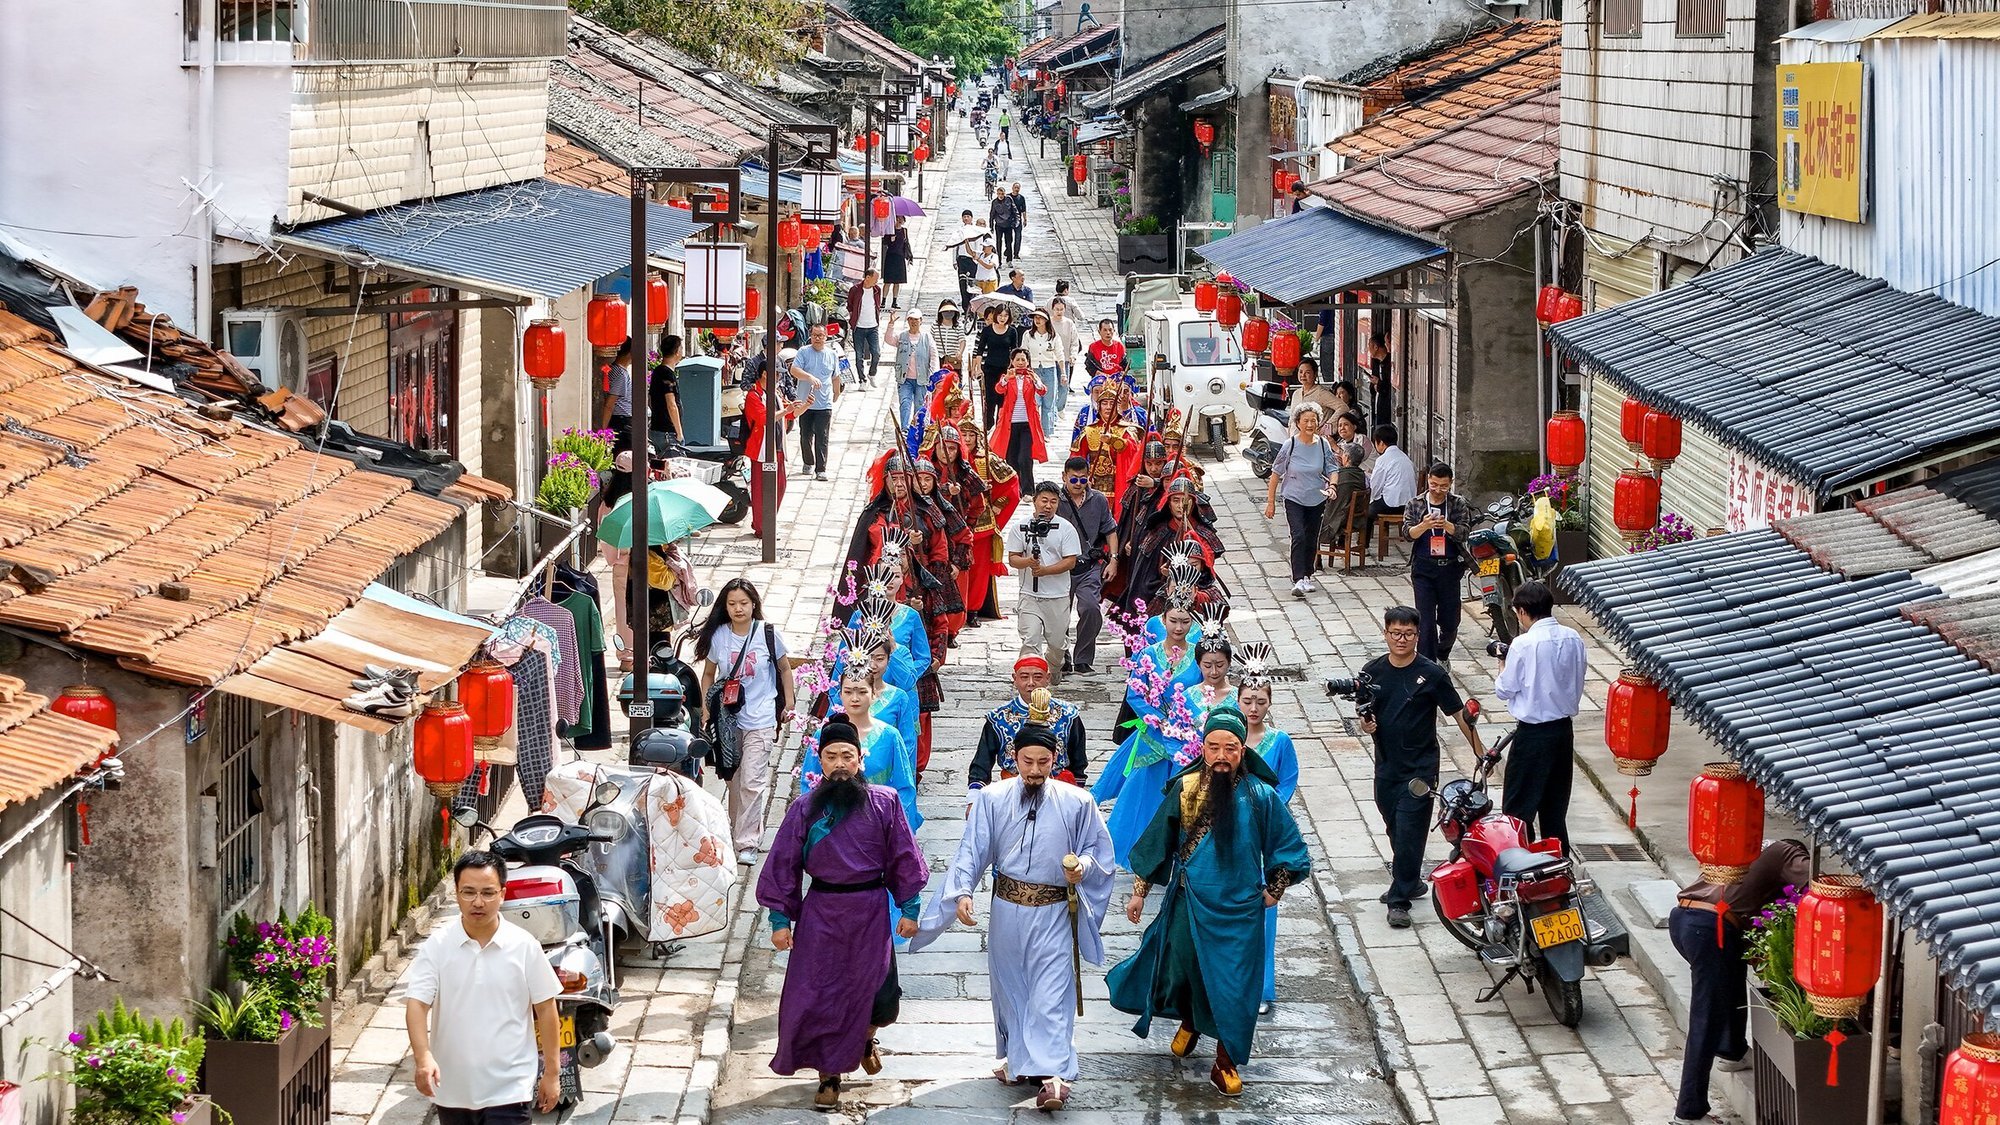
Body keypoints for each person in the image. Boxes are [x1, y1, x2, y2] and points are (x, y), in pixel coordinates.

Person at [914, 701, 1114, 1112]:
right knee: (1012, 988)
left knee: (1052, 990)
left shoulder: (1078, 802)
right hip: (1008, 907)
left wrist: (1084, 869)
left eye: (1044, 761)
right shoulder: (991, 798)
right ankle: (1022, 1062)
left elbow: (1100, 854)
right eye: (1028, 761)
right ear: (1014, 758)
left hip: (1056, 909)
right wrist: (963, 892)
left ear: (1055, 760)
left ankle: (1055, 1077)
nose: (1036, 770)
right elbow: (973, 850)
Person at [1105, 708, 1311, 1096]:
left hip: (1240, 911)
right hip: (1189, 901)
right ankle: (1191, 1019)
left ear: (1241, 750)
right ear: (1202, 747)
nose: (1221, 755)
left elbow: (1290, 847)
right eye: (1213, 746)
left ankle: (1225, 1061)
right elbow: (1156, 841)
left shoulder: (1262, 796)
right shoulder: (1184, 790)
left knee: (1235, 985)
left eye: (1230, 748)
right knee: (1184, 969)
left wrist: (1275, 887)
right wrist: (1139, 891)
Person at [757, 720, 928, 1110]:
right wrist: (780, 922)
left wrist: (910, 908)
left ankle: (865, 1037)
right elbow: (783, 863)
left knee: (880, 997)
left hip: (870, 911)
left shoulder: (885, 802)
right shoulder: (804, 809)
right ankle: (829, 1076)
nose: (839, 764)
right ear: (820, 760)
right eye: (831, 756)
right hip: (822, 913)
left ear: (859, 760)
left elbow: (904, 856)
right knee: (820, 995)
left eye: (846, 756)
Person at [405, 851, 563, 1121]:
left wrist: (552, 1073)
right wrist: (423, 1057)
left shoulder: (524, 946)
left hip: (510, 1088)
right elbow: (417, 1005)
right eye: (469, 892)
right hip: (453, 1088)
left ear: (502, 894)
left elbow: (546, 1009)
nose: (478, 902)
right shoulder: (438, 946)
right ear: (456, 893)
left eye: (488, 893)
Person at [1356, 605, 1486, 928]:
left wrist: (1481, 754)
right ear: (1385, 634)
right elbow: (1364, 712)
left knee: (1411, 828)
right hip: (1387, 764)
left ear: (1418, 635)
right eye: (1395, 633)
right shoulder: (1371, 672)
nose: (1401, 639)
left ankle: (1399, 900)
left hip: (1421, 767)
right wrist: (1366, 726)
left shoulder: (1432, 674)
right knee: (1393, 824)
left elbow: (1459, 714)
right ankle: (1411, 878)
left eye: (1409, 634)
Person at [1670, 840, 1809, 1125]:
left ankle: (1732, 1050)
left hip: (1685, 919)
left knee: (1731, 978)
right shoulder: (1789, 853)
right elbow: (1815, 879)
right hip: (1711, 927)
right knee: (1706, 1018)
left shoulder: (1747, 848)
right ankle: (1689, 1113)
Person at [1092, 592, 1206, 867]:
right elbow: (1135, 694)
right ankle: (1134, 851)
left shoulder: (1198, 655)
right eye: (1174, 621)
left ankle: (1177, 855)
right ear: (1163, 620)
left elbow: (1205, 691)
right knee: (1141, 794)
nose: (1179, 628)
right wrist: (1158, 718)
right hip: (1155, 733)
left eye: (1185, 622)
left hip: (1186, 735)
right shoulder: (1147, 655)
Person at [695, 578, 796, 864]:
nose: (738, 609)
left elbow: (785, 668)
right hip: (728, 719)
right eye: (732, 604)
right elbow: (708, 674)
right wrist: (705, 708)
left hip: (762, 716)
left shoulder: (767, 634)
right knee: (734, 779)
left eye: (743, 603)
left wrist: (788, 702)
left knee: (753, 780)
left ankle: (747, 842)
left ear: (754, 604)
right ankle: (734, 829)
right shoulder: (719, 637)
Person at [1492, 579, 1587, 851]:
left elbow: (1505, 688)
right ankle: (1558, 866)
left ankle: (1520, 866)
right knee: (1554, 808)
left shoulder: (1524, 644)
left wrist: (1502, 662)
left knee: (1517, 808)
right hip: (1562, 731)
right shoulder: (1573, 638)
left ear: (1522, 611)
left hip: (1533, 734)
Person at [1233, 648, 1298, 1013]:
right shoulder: (1227, 738)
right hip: (1228, 826)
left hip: (1264, 830)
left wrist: (1268, 806)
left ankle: (1260, 987)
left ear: (1269, 703)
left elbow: (1287, 781)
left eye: (1260, 701)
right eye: (1247, 700)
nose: (1253, 708)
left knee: (1264, 908)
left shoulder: (1280, 741)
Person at [802, 670, 920, 831]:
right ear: (840, 695)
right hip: (831, 825)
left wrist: (893, 822)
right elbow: (809, 784)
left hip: (878, 823)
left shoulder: (890, 736)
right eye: (848, 692)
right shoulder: (824, 734)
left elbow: (904, 786)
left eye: (862, 692)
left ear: (874, 694)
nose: (855, 698)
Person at [969, 655, 1091, 794]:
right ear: (1015, 679)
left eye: (1038, 677)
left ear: (1048, 678)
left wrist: (1077, 792)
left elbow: (1078, 759)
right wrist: (974, 796)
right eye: (1024, 677)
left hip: (1059, 788)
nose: (1031, 683)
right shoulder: (998, 718)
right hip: (1013, 789)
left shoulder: (1068, 715)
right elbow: (982, 762)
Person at [1005, 481, 1081, 671]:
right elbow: (1013, 559)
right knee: (1030, 640)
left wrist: (1046, 570)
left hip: (1057, 596)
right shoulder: (1021, 528)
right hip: (1029, 595)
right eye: (1044, 501)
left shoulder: (1066, 528)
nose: (1048, 506)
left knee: (1056, 644)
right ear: (1035, 501)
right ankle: (1032, 680)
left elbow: (1070, 561)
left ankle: (1054, 666)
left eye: (1053, 502)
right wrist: (1029, 561)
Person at [1262, 402, 1334, 596]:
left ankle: (1308, 575)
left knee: (1311, 538)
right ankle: (1298, 578)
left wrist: (1333, 486)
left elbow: (1332, 469)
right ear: (1298, 423)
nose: (1310, 424)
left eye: (1313, 420)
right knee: (1299, 535)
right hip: (1293, 497)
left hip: (1316, 498)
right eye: (1306, 421)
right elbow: (1276, 473)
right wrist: (1271, 502)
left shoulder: (1323, 444)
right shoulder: (1290, 445)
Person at [1403, 463, 1472, 663]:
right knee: (1425, 621)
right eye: (1434, 485)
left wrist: (1448, 526)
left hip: (1449, 567)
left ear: (1450, 484)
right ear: (1428, 481)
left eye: (1443, 486)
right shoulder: (1415, 503)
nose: (1438, 490)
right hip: (1423, 567)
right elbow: (1407, 534)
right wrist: (1424, 525)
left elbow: (1464, 532)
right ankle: (1428, 664)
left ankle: (1442, 654)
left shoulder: (1458, 504)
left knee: (1450, 621)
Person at [744, 353, 792, 539]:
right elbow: (764, 418)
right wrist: (785, 410)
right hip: (762, 449)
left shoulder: (774, 393)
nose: (779, 378)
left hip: (777, 447)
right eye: (777, 374)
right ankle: (762, 526)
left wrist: (802, 406)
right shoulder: (753, 395)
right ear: (765, 374)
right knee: (761, 489)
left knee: (780, 486)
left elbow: (789, 414)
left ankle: (768, 521)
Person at [791, 325, 841, 481]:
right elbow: (794, 370)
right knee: (805, 435)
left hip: (824, 403)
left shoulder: (832, 354)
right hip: (805, 402)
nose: (817, 338)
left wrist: (836, 392)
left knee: (822, 436)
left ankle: (821, 469)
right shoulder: (803, 352)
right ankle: (808, 461)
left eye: (820, 335)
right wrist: (809, 377)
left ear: (826, 337)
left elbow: (835, 376)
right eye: (814, 335)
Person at [990, 348, 1046, 486]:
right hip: (1010, 423)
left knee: (1025, 457)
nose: (1020, 362)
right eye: (1017, 359)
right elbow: (999, 389)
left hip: (1027, 423)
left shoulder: (1031, 377)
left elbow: (1042, 390)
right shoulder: (1008, 377)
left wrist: (1036, 380)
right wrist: (1006, 379)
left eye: (1023, 359)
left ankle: (1028, 489)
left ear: (1028, 362)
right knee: (1012, 458)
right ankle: (1016, 487)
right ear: (1012, 361)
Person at [886, 309, 935, 433]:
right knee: (905, 402)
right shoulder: (902, 336)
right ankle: (905, 428)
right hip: (905, 378)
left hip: (922, 378)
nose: (913, 322)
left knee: (919, 405)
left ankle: (917, 429)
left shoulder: (926, 337)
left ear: (921, 321)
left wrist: (933, 374)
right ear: (907, 321)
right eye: (911, 319)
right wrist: (891, 325)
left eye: (916, 319)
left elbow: (933, 355)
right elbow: (888, 340)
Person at [975, 305, 1025, 426]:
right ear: (996, 315)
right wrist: (978, 368)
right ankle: (988, 425)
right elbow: (980, 350)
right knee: (990, 399)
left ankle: (1000, 425)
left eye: (1005, 316)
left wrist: (1015, 368)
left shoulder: (1012, 331)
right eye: (1000, 315)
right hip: (989, 368)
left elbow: (1014, 351)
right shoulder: (987, 330)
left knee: (1003, 401)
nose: (1002, 318)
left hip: (1005, 369)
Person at [1367, 423, 1417, 525]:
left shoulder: (1382, 460)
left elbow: (1375, 486)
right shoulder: (1405, 457)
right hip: (1408, 504)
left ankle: (1363, 541)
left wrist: (1371, 500)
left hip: (1391, 505)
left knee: (1366, 512)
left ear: (1380, 443)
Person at [1025, 309, 1063, 438]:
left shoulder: (1053, 336)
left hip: (1049, 369)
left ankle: (1046, 433)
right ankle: (1034, 433)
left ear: (1046, 320)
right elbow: (1024, 352)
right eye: (1035, 317)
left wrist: (1063, 373)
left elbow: (1059, 354)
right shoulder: (1028, 335)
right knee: (1035, 403)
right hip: (1034, 370)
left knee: (1048, 403)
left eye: (1040, 317)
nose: (1037, 320)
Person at [846, 269, 885, 385]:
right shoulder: (855, 290)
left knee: (876, 352)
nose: (877, 281)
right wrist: (853, 318)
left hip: (873, 326)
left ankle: (872, 373)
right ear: (868, 277)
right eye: (875, 278)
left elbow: (877, 305)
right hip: (859, 327)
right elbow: (850, 305)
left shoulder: (877, 290)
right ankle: (862, 379)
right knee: (859, 355)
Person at [649, 332, 685, 453]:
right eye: (681, 348)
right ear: (677, 352)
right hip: (667, 432)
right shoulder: (667, 374)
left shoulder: (657, 371)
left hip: (655, 429)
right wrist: (679, 432)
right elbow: (671, 404)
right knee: (676, 469)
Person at [599, 339, 634, 451]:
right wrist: (604, 430)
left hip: (621, 420)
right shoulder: (620, 374)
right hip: (621, 422)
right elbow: (610, 404)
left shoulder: (616, 370)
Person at [882, 217, 914, 308]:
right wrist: (890, 240)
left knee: (897, 281)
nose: (899, 221)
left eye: (901, 219)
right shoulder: (889, 229)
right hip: (891, 256)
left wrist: (909, 256)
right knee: (888, 281)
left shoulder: (904, 231)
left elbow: (906, 243)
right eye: (897, 218)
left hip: (900, 257)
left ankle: (894, 301)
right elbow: (885, 241)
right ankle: (883, 301)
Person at [953, 210, 980, 309]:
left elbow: (978, 245)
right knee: (962, 282)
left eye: (968, 216)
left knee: (972, 284)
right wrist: (954, 261)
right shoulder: (959, 230)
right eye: (964, 216)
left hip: (972, 260)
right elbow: (955, 245)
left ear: (972, 218)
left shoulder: (975, 230)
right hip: (961, 259)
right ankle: (965, 306)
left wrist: (976, 259)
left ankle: (972, 305)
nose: (966, 218)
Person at [1367, 332, 1395, 430]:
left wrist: (1378, 383)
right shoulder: (1377, 363)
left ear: (1376, 347)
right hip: (1377, 407)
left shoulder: (1389, 363)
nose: (1368, 349)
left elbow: (1389, 387)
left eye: (1369, 346)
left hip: (1388, 409)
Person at [989, 188, 1019, 266]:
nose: (1001, 196)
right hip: (999, 225)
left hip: (1008, 224)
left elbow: (1015, 211)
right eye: (999, 194)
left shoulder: (1009, 199)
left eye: (1002, 194)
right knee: (998, 243)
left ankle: (1009, 260)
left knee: (1009, 243)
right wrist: (991, 226)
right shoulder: (995, 202)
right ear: (997, 194)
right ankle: (998, 261)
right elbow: (992, 214)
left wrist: (1016, 221)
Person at [1007, 184, 1030, 262]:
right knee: (1009, 238)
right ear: (1012, 188)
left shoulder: (1021, 198)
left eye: (1018, 188)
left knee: (1018, 237)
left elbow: (1023, 209)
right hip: (1009, 219)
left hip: (1018, 219)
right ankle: (1008, 250)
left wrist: (1025, 219)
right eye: (1015, 188)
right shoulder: (1008, 197)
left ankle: (1016, 253)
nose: (1016, 189)